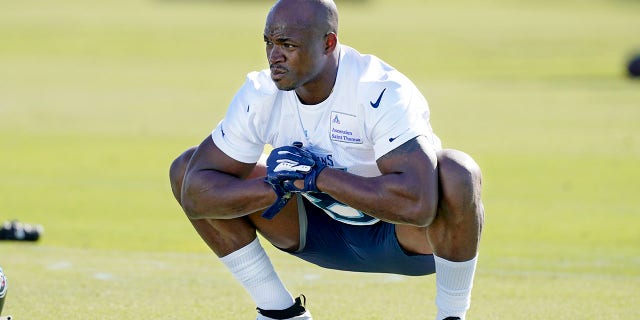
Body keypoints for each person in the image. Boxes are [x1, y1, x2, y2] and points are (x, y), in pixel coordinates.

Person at [169, 0, 484, 319]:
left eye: (287, 45)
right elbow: (196, 194)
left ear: (328, 43)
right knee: (188, 167)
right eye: (269, 43)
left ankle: (452, 314)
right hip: (315, 233)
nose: (274, 57)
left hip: (401, 240)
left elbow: (418, 205)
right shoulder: (261, 93)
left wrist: (318, 177)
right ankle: (279, 313)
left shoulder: (379, 89)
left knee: (457, 172)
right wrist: (277, 186)